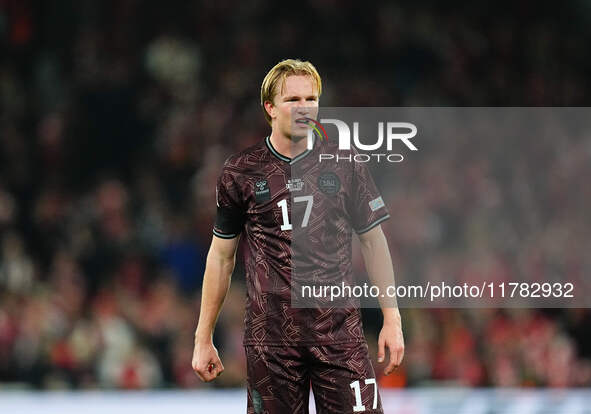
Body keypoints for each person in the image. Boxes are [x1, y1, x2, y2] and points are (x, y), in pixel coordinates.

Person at [192, 59, 404, 414]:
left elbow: (373, 241)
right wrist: (203, 337)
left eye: (311, 98)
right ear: (270, 108)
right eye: (293, 100)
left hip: (339, 332)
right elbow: (221, 257)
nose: (304, 107)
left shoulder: (345, 163)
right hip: (270, 339)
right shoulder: (241, 171)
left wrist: (392, 319)